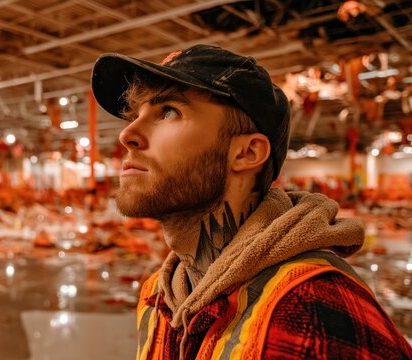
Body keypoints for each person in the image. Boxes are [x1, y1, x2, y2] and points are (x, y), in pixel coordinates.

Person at [91, 44, 411, 360]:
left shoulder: (314, 310)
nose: (127, 134)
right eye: (135, 115)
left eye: (168, 111)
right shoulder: (158, 297)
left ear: (246, 153)